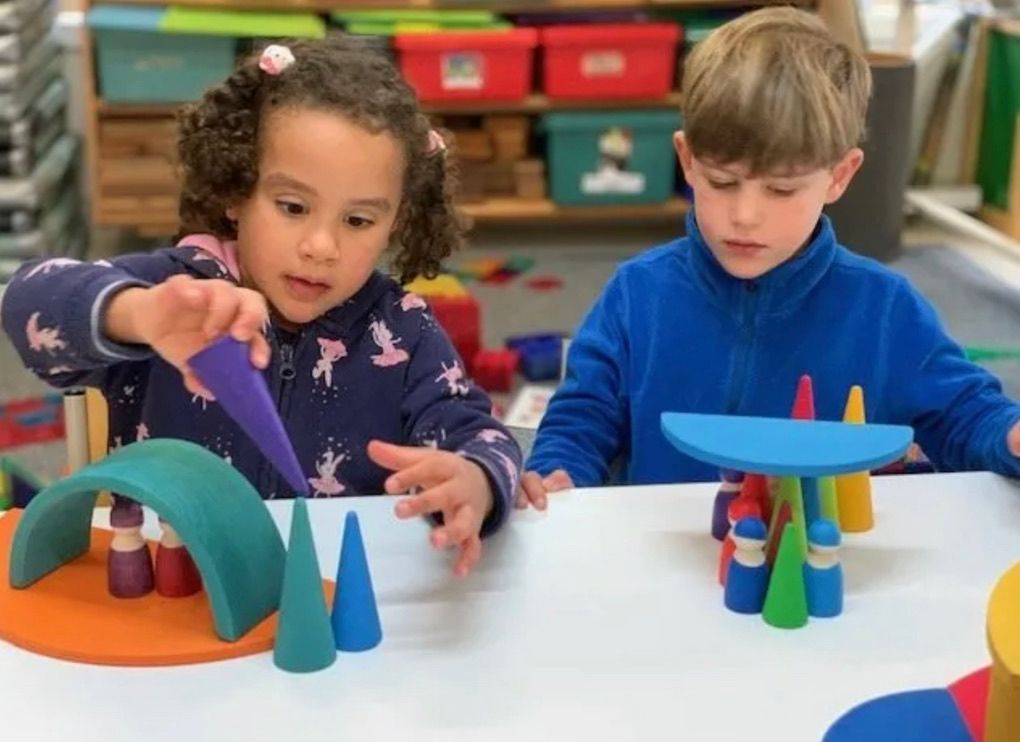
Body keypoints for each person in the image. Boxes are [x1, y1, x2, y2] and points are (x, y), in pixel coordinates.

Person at [2, 37, 522, 577]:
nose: (322, 246)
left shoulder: (404, 329)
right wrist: (138, 316)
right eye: (293, 207)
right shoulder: (177, 293)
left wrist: (477, 481)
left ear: (396, 222)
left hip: (329, 601)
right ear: (237, 190)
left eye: (359, 220)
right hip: (172, 594)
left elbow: (481, 434)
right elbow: (26, 302)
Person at [519, 7, 1020, 509]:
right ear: (687, 160)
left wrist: (1008, 436)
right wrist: (559, 475)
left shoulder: (885, 308)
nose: (745, 215)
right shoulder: (637, 293)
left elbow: (966, 416)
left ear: (840, 176)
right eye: (721, 181)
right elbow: (582, 417)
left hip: (818, 565)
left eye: (781, 189)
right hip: (665, 558)